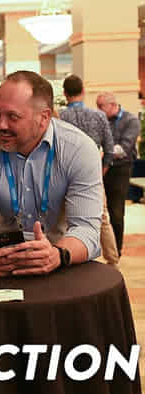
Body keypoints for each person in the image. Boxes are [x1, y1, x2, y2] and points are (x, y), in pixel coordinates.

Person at [0, 70, 103, 276]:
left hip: (64, 264)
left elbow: (87, 229)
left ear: (44, 117)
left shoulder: (79, 150)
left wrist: (57, 255)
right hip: (5, 265)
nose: (0, 125)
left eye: (12, 117)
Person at [60, 74, 118, 265]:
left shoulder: (60, 117)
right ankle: (113, 262)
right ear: (83, 91)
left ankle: (71, 258)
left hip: (64, 174)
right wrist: (101, 171)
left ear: (65, 93)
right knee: (102, 219)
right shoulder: (99, 116)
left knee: (66, 220)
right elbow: (109, 149)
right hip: (93, 174)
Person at [96, 92, 141, 257]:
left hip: (120, 169)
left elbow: (124, 148)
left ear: (113, 105)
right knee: (100, 212)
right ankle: (102, 249)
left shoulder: (131, 120)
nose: (98, 110)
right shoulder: (102, 120)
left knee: (116, 212)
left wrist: (104, 153)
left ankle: (117, 251)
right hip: (102, 168)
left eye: (101, 106)